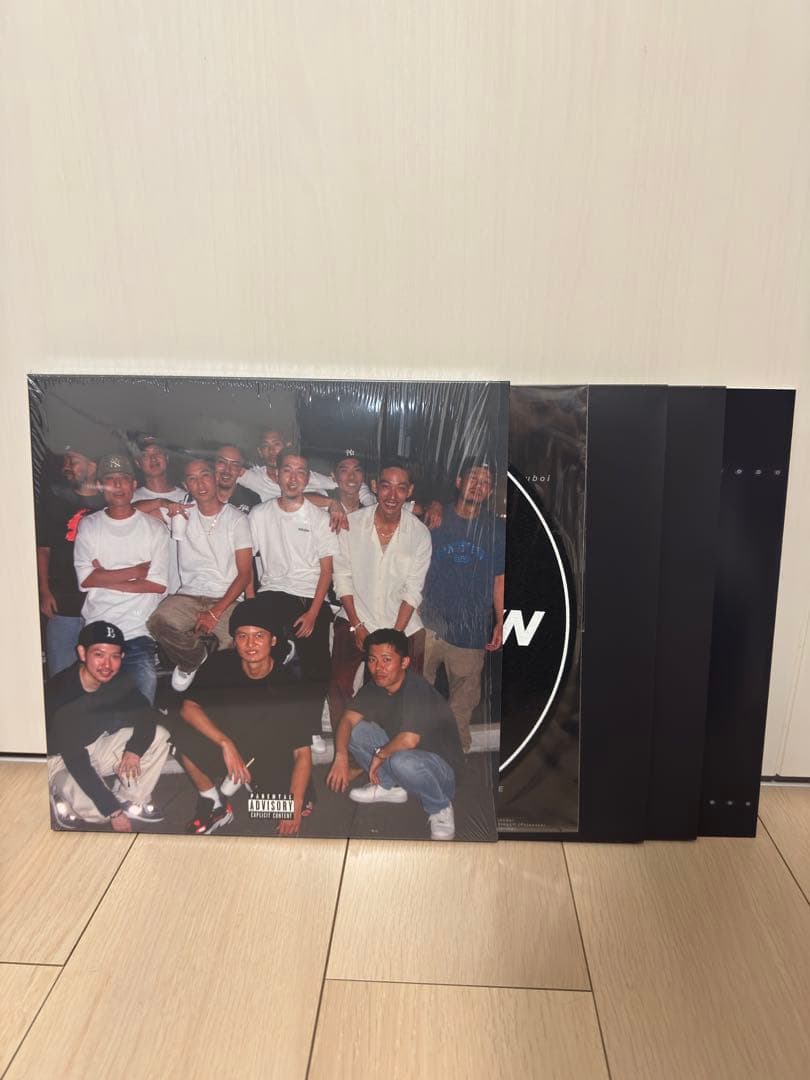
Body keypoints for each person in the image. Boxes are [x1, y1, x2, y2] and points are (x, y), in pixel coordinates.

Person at [173, 598, 322, 836]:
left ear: (273, 640)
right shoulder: (221, 663)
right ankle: (214, 803)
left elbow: (302, 754)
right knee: (181, 734)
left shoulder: (290, 685)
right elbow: (188, 708)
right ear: (235, 640)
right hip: (231, 746)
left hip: (270, 755)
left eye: (259, 636)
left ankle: (251, 784)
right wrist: (225, 743)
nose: (250, 644)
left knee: (281, 810)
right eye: (243, 636)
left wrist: (295, 802)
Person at [326, 629, 462, 840]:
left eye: (386, 660)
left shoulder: (417, 688)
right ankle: (388, 786)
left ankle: (440, 807)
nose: (378, 667)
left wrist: (380, 755)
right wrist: (341, 756)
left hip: (441, 772)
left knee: (401, 760)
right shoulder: (376, 686)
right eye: (372, 660)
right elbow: (347, 720)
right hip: (404, 757)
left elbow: (409, 740)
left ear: (404, 662)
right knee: (355, 731)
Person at [330, 458, 432, 723]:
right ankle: (346, 743)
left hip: (401, 624)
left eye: (401, 488)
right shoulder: (351, 524)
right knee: (339, 683)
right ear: (375, 486)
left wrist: (393, 639)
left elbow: (413, 590)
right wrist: (357, 625)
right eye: (386, 486)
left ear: (410, 491)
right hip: (356, 616)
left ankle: (395, 740)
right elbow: (342, 578)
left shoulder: (420, 534)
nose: (392, 495)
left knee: (409, 691)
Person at [46, 621, 171, 832]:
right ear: (82, 653)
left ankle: (129, 799)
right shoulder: (62, 694)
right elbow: (76, 760)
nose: (107, 665)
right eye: (99, 654)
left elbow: (146, 714)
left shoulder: (116, 680)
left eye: (115, 656)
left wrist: (134, 750)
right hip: (60, 760)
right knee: (100, 813)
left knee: (159, 736)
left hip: (94, 745)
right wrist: (112, 811)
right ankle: (59, 792)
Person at [147, 457, 253, 691]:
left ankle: (205, 653)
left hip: (227, 598)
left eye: (204, 475)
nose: (200, 483)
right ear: (186, 486)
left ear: (215, 477)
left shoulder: (237, 519)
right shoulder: (181, 513)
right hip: (189, 595)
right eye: (192, 479)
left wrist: (215, 613)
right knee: (157, 622)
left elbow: (245, 574)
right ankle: (193, 658)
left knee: (236, 642)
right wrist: (163, 502)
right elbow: (131, 509)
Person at [421, 458, 505, 751]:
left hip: (470, 630)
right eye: (473, 478)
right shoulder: (435, 517)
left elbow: (499, 579)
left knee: (463, 702)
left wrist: (501, 620)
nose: (479, 485)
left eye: (486, 482)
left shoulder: (496, 530)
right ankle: (415, 752)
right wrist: (430, 503)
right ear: (459, 482)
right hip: (428, 625)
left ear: (490, 490)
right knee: (417, 694)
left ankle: (456, 757)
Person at [73, 453, 170, 703]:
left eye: (124, 478)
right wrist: (135, 573)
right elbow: (85, 580)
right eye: (110, 479)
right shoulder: (89, 525)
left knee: (141, 711)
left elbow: (157, 585)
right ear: (100, 486)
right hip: (97, 631)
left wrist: (104, 576)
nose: (118, 485)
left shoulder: (155, 529)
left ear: (134, 484)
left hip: (138, 633)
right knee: (94, 713)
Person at [248, 448, 338, 685]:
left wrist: (312, 614)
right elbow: (247, 562)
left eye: (300, 472)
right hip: (273, 592)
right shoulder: (259, 514)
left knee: (318, 671)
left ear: (307, 479)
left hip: (311, 596)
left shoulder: (320, 519)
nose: (293, 478)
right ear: (277, 474)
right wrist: (250, 602)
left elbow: (327, 571)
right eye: (287, 470)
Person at [36, 444, 106, 675]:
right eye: (65, 461)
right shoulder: (55, 502)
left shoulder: (108, 503)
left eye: (73, 461)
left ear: (92, 467)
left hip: (101, 604)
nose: (66, 467)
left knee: (100, 676)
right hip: (63, 603)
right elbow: (43, 549)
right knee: (61, 675)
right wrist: (44, 592)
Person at [131, 434, 187, 504]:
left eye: (157, 452)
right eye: (145, 455)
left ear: (166, 457)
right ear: (138, 463)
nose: (153, 459)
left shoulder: (186, 498)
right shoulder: (131, 500)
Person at [212, 443, 260, 514]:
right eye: (222, 462)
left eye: (234, 465)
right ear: (214, 465)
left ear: (241, 471)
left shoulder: (252, 500)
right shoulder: (199, 494)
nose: (227, 470)